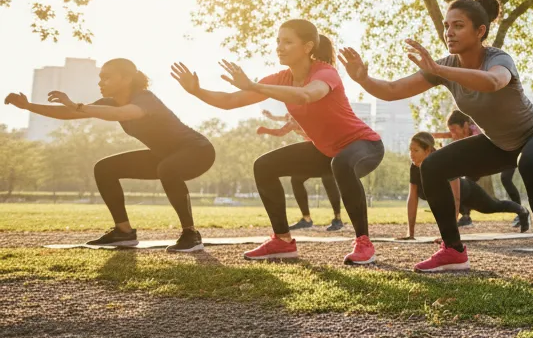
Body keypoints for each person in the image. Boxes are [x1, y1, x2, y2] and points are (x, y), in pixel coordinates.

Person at [337, 0, 533, 277]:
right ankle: (453, 250)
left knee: (530, 164)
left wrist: (439, 69)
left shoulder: (498, 59)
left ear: (480, 31)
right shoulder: (445, 66)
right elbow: (392, 90)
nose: (449, 32)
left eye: (458, 25)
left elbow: (494, 82)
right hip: (499, 143)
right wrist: (363, 79)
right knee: (433, 166)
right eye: (447, 26)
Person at [171, 19, 385, 264]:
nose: (279, 47)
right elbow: (231, 101)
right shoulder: (280, 78)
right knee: (264, 165)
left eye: (287, 42)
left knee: (342, 164)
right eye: (278, 41)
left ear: (307, 47)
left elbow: (306, 95)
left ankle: (364, 243)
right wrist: (197, 91)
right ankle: (282, 240)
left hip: (364, 145)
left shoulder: (325, 72)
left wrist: (254, 84)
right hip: (326, 151)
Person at [6, 59, 214, 252]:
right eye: (100, 77)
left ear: (127, 79)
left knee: (167, 168)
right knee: (105, 168)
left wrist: (76, 105)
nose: (101, 82)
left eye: (107, 77)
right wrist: (28, 106)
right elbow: (71, 113)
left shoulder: (145, 98)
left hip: (198, 151)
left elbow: (123, 114)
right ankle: (123, 232)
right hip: (164, 155)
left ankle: (190, 235)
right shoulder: (110, 102)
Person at [403, 132, 529, 240]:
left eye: (415, 150)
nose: (411, 154)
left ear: (428, 150)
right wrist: (410, 233)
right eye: (410, 150)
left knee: (493, 206)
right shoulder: (414, 167)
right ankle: (466, 216)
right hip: (449, 199)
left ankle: (522, 211)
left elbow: (455, 198)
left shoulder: (442, 162)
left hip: (467, 191)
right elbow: (412, 198)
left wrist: (449, 236)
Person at [255, 111, 344, 232]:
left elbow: (280, 132)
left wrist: (265, 130)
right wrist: (271, 117)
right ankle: (306, 219)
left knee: (328, 177)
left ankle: (337, 219)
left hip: (327, 150)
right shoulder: (293, 116)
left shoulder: (300, 117)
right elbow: (282, 117)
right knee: (297, 179)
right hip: (313, 152)